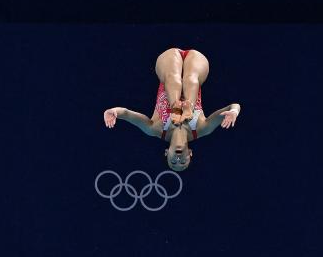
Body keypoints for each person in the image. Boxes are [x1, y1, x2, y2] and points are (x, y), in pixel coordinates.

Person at [103, 48, 241, 170]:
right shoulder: (201, 129)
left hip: (168, 64)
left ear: (166, 153)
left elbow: (127, 114)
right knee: (191, 79)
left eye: (173, 162)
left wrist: (114, 111)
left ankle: (176, 105)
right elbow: (233, 106)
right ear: (190, 153)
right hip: (196, 65)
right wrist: (234, 112)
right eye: (183, 162)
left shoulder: (155, 129)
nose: (178, 160)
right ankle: (188, 105)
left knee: (173, 79)